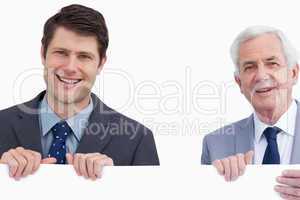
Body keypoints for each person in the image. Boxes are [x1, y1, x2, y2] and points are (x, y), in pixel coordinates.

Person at [0, 4, 159, 181]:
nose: (70, 67)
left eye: (84, 56)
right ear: (43, 54)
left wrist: (117, 182)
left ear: (100, 64)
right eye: (61, 53)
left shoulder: (137, 140)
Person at [201, 26, 300, 199]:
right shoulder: (215, 144)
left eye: (272, 63)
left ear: (293, 73)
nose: (261, 75)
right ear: (239, 82)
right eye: (250, 67)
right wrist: (220, 187)